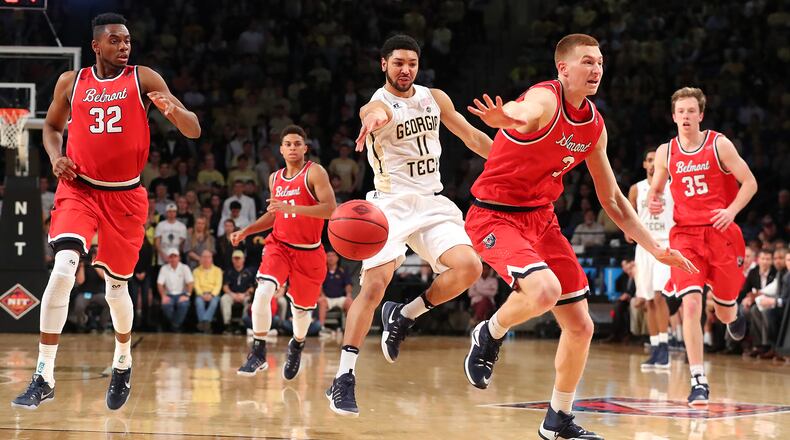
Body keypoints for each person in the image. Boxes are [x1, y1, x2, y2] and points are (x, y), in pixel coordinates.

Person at [462, 34, 695, 439]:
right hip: (494, 216)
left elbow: (615, 201)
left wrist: (655, 248)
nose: (597, 70)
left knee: (581, 326)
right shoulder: (546, 99)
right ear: (563, 68)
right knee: (543, 291)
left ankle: (558, 419)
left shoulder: (594, 127)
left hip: (542, 220)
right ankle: (490, 331)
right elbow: (525, 109)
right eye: (587, 62)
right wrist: (508, 118)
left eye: (600, 63)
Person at [11, 12, 200, 410]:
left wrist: (175, 113)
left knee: (116, 289)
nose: (124, 46)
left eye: (127, 40)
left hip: (125, 198)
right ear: (96, 45)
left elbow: (194, 128)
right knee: (63, 268)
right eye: (115, 40)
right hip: (78, 189)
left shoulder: (143, 77)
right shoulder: (72, 81)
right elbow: (50, 128)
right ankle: (43, 374)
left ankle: (123, 361)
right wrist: (55, 156)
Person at [326, 34, 491, 417]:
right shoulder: (377, 103)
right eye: (398, 63)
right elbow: (374, 113)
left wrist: (511, 157)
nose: (406, 70)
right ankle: (343, 378)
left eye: (412, 64)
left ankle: (405, 314)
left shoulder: (435, 98)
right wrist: (371, 122)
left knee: (469, 268)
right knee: (374, 286)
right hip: (390, 207)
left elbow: (469, 135)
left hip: (431, 202)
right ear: (384, 64)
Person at [649, 86, 758, 405]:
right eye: (680, 111)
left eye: (690, 111)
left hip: (721, 233)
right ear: (673, 116)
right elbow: (656, 189)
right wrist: (655, 202)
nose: (685, 116)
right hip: (685, 237)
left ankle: (733, 312)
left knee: (724, 313)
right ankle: (698, 380)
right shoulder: (666, 151)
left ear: (701, 114)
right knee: (691, 305)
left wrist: (731, 210)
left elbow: (750, 181)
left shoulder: (719, 144)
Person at [230, 124, 337, 380]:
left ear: (305, 148)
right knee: (263, 292)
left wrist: (296, 207)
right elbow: (274, 214)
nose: (292, 148)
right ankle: (258, 352)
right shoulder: (274, 177)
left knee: (301, 314)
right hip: (278, 245)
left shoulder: (315, 173)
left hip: (309, 252)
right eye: (287, 144)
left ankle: (297, 345)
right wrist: (247, 231)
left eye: (297, 144)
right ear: (281, 149)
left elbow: (330, 209)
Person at [627, 147, 674, 370]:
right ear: (645, 164)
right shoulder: (636, 189)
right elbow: (627, 216)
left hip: (665, 244)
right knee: (647, 300)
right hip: (644, 247)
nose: (653, 163)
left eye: (657, 160)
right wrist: (627, 230)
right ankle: (655, 348)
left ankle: (665, 347)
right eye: (649, 160)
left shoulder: (673, 186)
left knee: (658, 297)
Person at [157, 248, 194, 332]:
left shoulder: (185, 268)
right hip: (169, 294)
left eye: (175, 256)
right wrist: (163, 296)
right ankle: (176, 325)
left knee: (184, 304)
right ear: (168, 258)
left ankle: (174, 326)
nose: (173, 259)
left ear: (179, 258)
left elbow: (190, 282)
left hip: (182, 294)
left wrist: (187, 295)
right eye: (171, 257)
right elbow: (160, 284)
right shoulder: (164, 268)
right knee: (166, 305)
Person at [317, 249, 353, 330]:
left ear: (337, 258)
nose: (331, 258)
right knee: (321, 301)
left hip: (340, 298)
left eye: (333, 255)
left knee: (349, 301)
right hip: (327, 298)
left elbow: (348, 285)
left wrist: (348, 295)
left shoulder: (343, 270)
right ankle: (321, 328)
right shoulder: (322, 270)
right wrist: (322, 295)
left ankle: (349, 329)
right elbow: (319, 285)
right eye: (328, 256)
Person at [192, 249, 223, 333]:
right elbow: (196, 285)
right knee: (199, 302)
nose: (206, 259)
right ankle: (206, 325)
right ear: (201, 258)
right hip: (201, 294)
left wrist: (212, 295)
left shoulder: (218, 270)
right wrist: (202, 294)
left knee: (214, 302)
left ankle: (203, 323)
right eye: (204, 257)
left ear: (211, 258)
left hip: (213, 294)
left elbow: (218, 285)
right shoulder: (196, 271)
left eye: (208, 257)